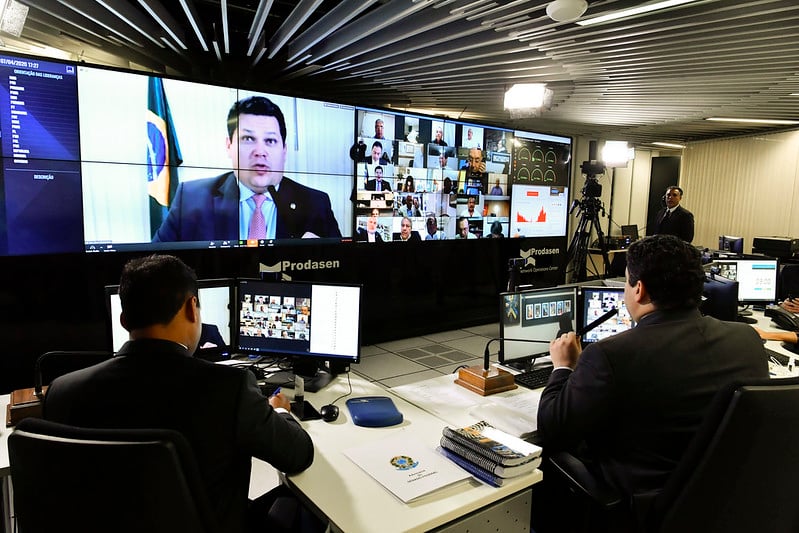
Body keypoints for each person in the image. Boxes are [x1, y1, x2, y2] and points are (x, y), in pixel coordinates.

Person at [42, 255, 318, 533]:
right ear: (192, 308)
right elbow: (299, 455)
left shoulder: (63, 393)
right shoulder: (229, 388)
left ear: (124, 320)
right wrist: (280, 410)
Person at [534, 235, 768, 532]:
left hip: (638, 509)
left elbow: (552, 429)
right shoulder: (747, 340)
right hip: (722, 505)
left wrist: (563, 367)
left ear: (640, 289)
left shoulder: (611, 354)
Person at [152, 96, 341, 242]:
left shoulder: (316, 204)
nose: (260, 152)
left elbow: (345, 271)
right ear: (229, 145)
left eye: (270, 141)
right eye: (248, 139)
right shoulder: (191, 199)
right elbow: (153, 265)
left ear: (284, 150)